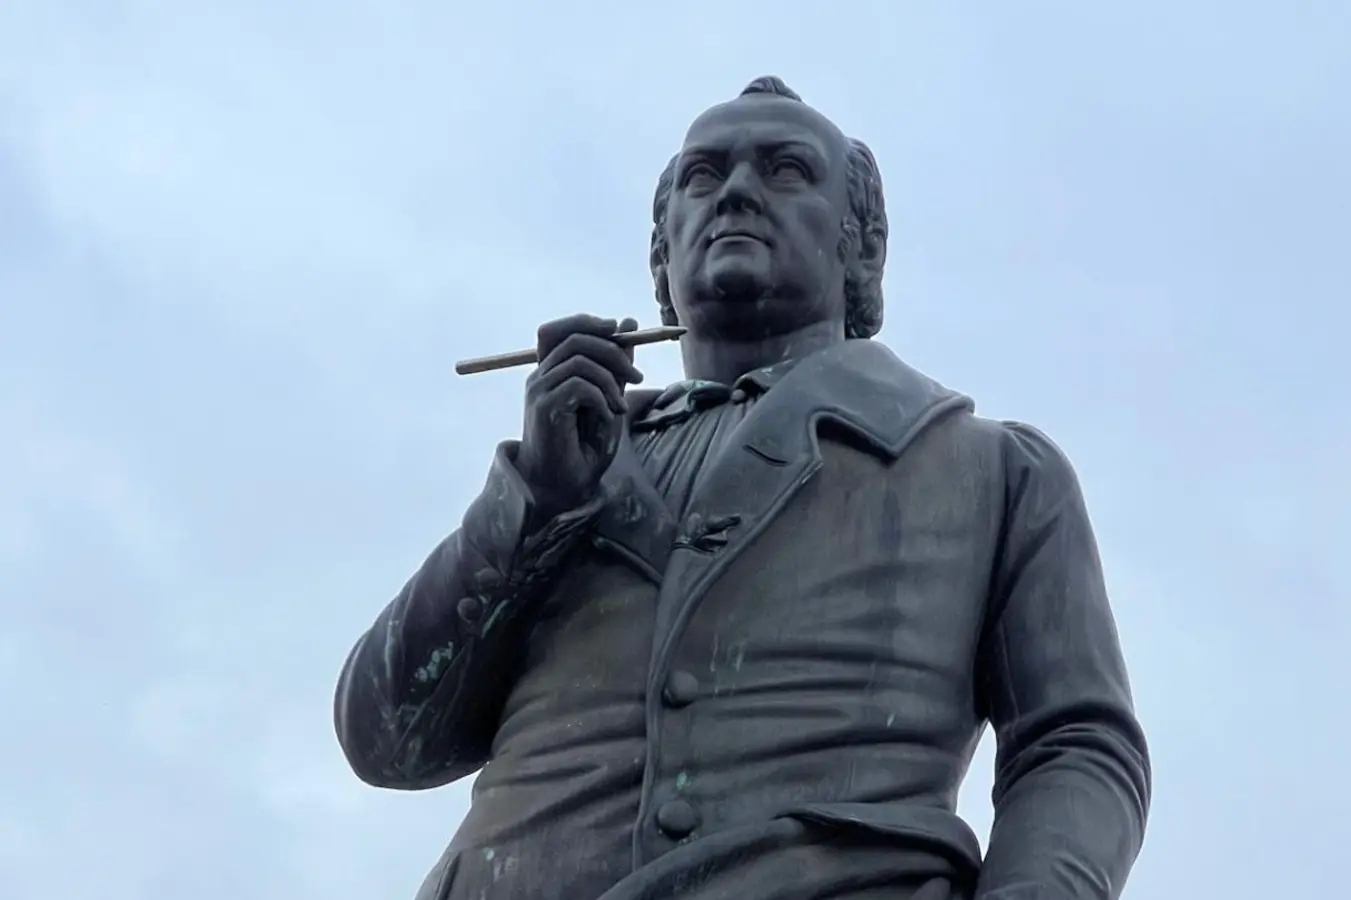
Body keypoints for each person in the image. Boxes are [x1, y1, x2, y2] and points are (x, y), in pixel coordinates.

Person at [334, 76, 1152, 900]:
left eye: (785, 170)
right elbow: (387, 740)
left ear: (860, 245)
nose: (734, 191)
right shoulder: (566, 470)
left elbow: (1073, 743)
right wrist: (530, 508)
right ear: (663, 251)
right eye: (704, 175)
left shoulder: (992, 472)